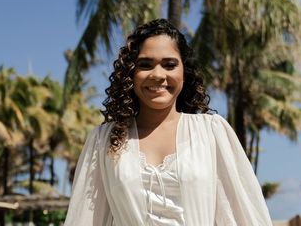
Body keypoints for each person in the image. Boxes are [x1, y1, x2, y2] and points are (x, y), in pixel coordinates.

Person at [64, 18, 273, 226]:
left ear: (184, 72)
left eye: (169, 64)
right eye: (145, 65)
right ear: (131, 74)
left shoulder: (211, 133)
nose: (157, 75)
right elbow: (85, 218)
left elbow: (241, 216)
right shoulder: (104, 140)